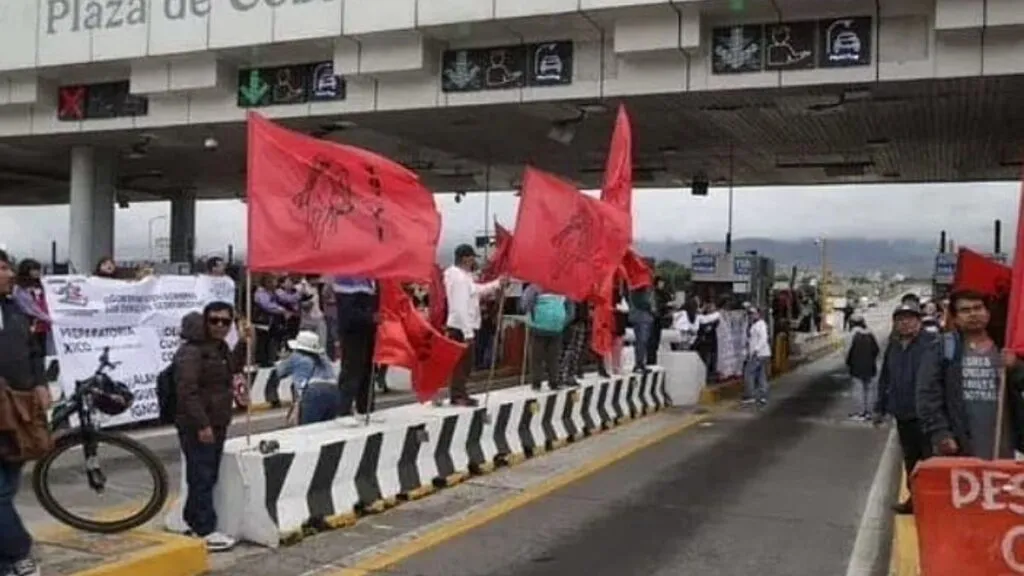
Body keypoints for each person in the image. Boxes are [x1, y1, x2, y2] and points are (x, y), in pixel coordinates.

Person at [917, 290, 1024, 463]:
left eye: (978, 308)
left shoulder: (1006, 348)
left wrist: (1016, 367)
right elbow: (928, 396)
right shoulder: (942, 349)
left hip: (1004, 447)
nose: (973, 314)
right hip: (962, 447)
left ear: (987, 313)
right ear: (955, 318)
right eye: (965, 310)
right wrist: (941, 433)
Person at [173, 302, 243, 552]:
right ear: (205, 321)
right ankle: (204, 529)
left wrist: (245, 342)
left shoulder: (220, 348)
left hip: (218, 420)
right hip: (198, 423)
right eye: (214, 321)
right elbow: (186, 391)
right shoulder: (191, 352)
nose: (220, 326)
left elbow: (232, 369)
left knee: (207, 474)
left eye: (225, 321)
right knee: (200, 474)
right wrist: (202, 424)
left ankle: (193, 521)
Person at [0, 249, 50, 576]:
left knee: (10, 482)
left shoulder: (15, 308)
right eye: (2, 268)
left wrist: (41, 383)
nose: (8, 274)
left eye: (8, 268)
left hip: (18, 409)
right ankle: (19, 551)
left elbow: (33, 351)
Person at [874, 302, 934, 514]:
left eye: (910, 318)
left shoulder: (932, 344)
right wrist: (880, 407)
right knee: (911, 459)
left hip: (928, 415)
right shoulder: (894, 346)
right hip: (903, 413)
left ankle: (932, 502)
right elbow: (885, 378)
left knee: (930, 460)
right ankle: (914, 498)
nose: (905, 323)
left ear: (919, 321)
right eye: (900, 319)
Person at [443, 244, 503, 407]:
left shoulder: (463, 276)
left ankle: (460, 393)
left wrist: (497, 283)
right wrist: (468, 332)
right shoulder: (459, 278)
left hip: (463, 325)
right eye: (471, 258)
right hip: (462, 326)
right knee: (462, 363)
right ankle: (457, 395)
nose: (473, 262)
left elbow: (476, 290)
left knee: (466, 363)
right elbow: (459, 306)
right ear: (465, 258)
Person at [333, 277, 378, 415]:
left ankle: (366, 409)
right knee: (352, 373)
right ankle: (343, 411)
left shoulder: (370, 279)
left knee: (368, 373)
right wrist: (371, 317)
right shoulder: (345, 279)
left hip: (369, 331)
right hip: (353, 333)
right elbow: (347, 314)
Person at [277, 331, 340, 426]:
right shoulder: (324, 358)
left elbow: (279, 372)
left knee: (307, 430)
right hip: (334, 390)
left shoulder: (296, 357)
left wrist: (284, 358)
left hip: (313, 391)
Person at [521, 284, 573, 391]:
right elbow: (571, 312)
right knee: (554, 357)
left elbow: (525, 305)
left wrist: (532, 318)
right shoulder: (564, 287)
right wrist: (562, 323)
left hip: (538, 328)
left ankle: (536, 383)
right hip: (556, 329)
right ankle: (553, 382)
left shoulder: (534, 287)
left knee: (536, 357)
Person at [12, 260, 51, 364]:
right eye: (34, 269)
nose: (37, 272)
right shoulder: (19, 289)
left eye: (38, 269)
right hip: (29, 324)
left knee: (42, 351)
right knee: (31, 352)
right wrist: (45, 317)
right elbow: (27, 307)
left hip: (42, 325)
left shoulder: (42, 285)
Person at [845, 314, 880, 421]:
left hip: (857, 367)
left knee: (858, 390)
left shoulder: (852, 335)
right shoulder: (870, 333)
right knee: (870, 390)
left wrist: (848, 363)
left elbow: (847, 351)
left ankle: (860, 413)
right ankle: (869, 413)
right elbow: (876, 350)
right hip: (870, 366)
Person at [742, 306, 772, 407]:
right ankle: (763, 396)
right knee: (761, 375)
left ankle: (750, 396)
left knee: (748, 373)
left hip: (758, 354)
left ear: (758, 314)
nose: (751, 315)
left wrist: (756, 350)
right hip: (762, 354)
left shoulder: (761, 325)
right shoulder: (755, 324)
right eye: (750, 314)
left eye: (753, 313)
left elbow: (763, 338)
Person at [628, 283, 655, 374]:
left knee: (641, 341)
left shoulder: (637, 289)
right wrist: (651, 307)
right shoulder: (639, 290)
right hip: (641, 317)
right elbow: (644, 303)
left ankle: (640, 362)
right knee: (642, 341)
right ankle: (639, 363)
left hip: (640, 317)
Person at [694, 301, 721, 382]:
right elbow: (705, 328)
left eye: (713, 307)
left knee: (711, 361)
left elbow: (710, 327)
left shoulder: (715, 319)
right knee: (705, 361)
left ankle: (709, 377)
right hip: (704, 344)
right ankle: (704, 378)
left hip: (711, 343)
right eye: (710, 307)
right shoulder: (703, 318)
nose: (711, 309)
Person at [649, 276, 674, 365]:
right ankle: (651, 362)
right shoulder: (653, 293)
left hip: (659, 320)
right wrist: (666, 305)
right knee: (652, 343)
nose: (662, 284)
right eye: (661, 282)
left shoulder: (663, 294)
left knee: (656, 342)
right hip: (653, 320)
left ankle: (653, 361)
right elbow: (655, 306)